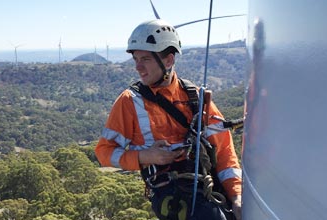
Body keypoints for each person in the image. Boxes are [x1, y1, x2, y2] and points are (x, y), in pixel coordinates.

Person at [95, 19, 242, 220]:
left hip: (206, 182)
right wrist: (146, 157)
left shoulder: (195, 98)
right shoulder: (129, 102)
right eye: (136, 59)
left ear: (169, 60)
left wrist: (236, 196)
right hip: (170, 192)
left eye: (145, 59)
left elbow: (224, 150)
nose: (138, 67)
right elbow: (104, 152)